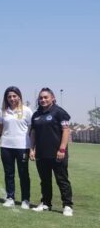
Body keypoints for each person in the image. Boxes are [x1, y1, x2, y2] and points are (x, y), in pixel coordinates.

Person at [30, 88, 74, 216]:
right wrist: (32, 149)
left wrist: (62, 149)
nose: (43, 100)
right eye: (41, 98)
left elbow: (66, 131)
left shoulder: (59, 112)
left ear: (53, 98)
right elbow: (33, 132)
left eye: (46, 97)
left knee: (62, 180)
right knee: (45, 180)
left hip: (57, 153)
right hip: (41, 154)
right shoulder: (36, 114)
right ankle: (46, 204)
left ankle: (67, 205)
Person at [0, 86, 32, 209]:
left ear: (19, 97)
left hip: (23, 147)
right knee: (9, 173)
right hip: (6, 146)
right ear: (6, 98)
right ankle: (10, 197)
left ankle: (25, 199)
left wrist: (33, 147)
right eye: (9, 96)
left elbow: (32, 130)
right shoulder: (2, 112)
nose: (12, 98)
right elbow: (0, 129)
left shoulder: (27, 111)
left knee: (23, 174)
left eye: (14, 96)